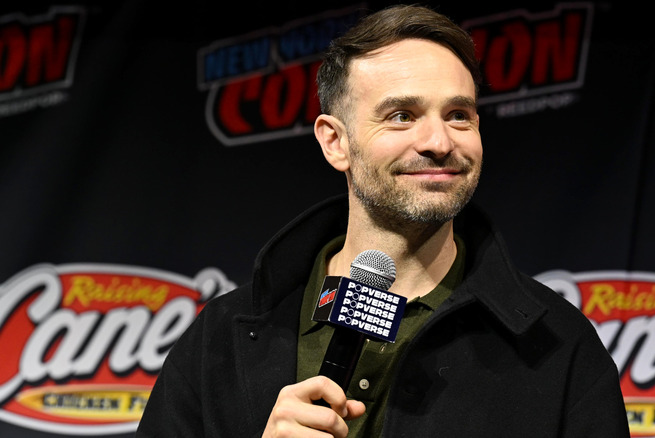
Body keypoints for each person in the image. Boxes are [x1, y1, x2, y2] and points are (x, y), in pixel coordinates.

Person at [137, 4, 630, 437]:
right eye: (401, 115)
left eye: (459, 114)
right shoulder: (219, 339)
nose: (439, 140)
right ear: (335, 142)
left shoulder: (560, 346)